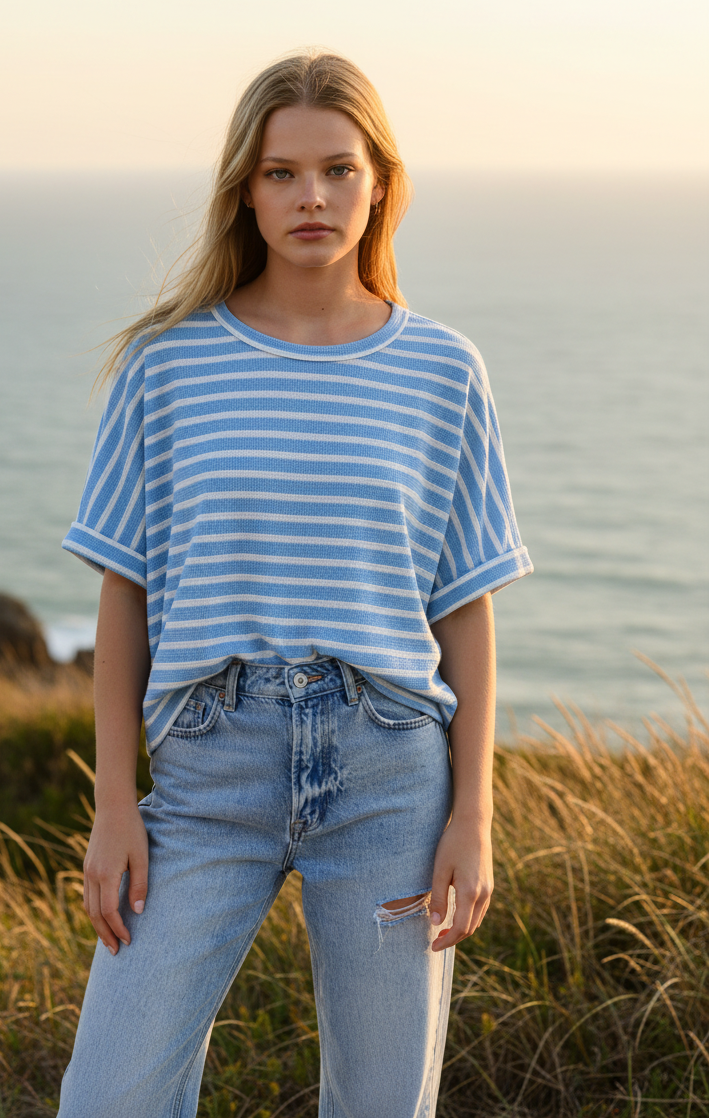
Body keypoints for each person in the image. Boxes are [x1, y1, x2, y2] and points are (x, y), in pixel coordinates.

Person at [57, 49, 533, 1119]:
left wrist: (474, 812)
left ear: (380, 184)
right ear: (245, 189)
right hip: (208, 773)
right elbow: (125, 594)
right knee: (111, 1095)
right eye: (280, 173)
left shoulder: (443, 371)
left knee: (381, 1104)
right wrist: (114, 803)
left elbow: (464, 605)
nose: (310, 196)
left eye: (336, 169)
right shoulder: (167, 365)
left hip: (391, 776)